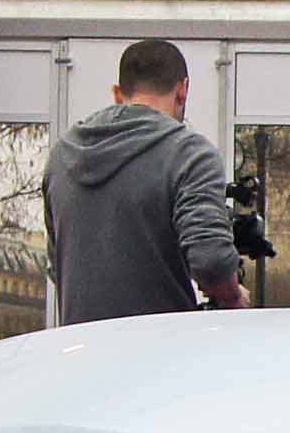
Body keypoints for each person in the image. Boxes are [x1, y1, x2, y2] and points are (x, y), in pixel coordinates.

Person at [46, 37, 246, 319]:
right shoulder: (190, 155)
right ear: (183, 90)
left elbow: (57, 266)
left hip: (81, 343)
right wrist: (233, 296)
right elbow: (211, 263)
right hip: (159, 343)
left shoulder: (61, 156)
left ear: (119, 93)